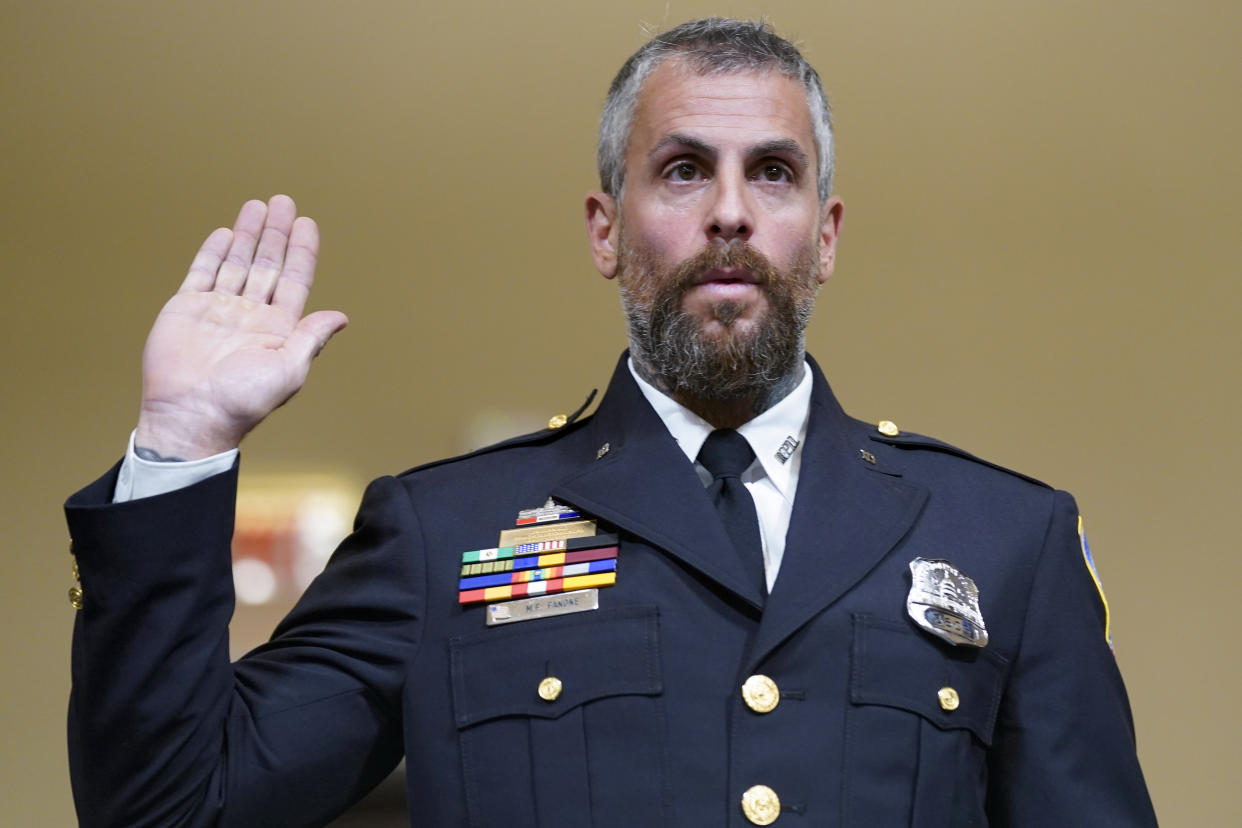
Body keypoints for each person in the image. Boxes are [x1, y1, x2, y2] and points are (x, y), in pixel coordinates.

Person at [64, 18, 1158, 828]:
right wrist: (181, 446)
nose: (729, 210)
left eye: (771, 174)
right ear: (605, 228)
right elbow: (172, 806)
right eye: (683, 169)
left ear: (824, 238)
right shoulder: (446, 534)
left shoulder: (1005, 540)